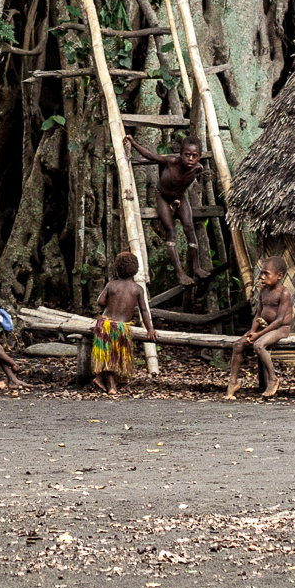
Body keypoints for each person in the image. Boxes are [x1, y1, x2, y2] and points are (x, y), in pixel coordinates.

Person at [129, 133, 213, 283]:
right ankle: (180, 274)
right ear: (180, 155)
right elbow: (150, 156)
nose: (190, 159)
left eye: (194, 156)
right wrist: (133, 142)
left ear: (199, 157)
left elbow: (203, 175)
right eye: (187, 155)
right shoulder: (172, 162)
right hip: (163, 196)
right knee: (171, 231)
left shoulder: (197, 168)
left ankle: (196, 268)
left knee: (189, 227)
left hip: (180, 196)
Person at [225, 256, 295, 400]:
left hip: (280, 329)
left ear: (279, 276)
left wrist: (259, 335)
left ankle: (273, 378)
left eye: (266, 274)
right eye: (261, 273)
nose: (262, 277)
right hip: (264, 327)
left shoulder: (284, 293)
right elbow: (258, 314)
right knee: (238, 345)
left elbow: (280, 320)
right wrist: (252, 331)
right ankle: (233, 383)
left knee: (259, 345)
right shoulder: (263, 291)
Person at [90, 250, 157, 397]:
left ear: (117, 269)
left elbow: (100, 301)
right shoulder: (137, 289)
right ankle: (112, 386)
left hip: (105, 324)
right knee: (114, 356)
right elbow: (144, 311)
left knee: (107, 354)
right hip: (121, 328)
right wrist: (150, 329)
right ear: (135, 270)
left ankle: (100, 378)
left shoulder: (111, 284)